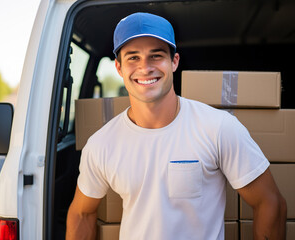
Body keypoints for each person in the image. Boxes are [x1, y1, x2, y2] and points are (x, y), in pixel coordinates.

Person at [66, 12, 287, 240]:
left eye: (156, 56)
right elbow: (81, 214)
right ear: (120, 68)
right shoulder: (102, 144)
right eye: (133, 57)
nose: (145, 67)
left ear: (174, 62)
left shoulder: (218, 127)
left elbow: (271, 204)